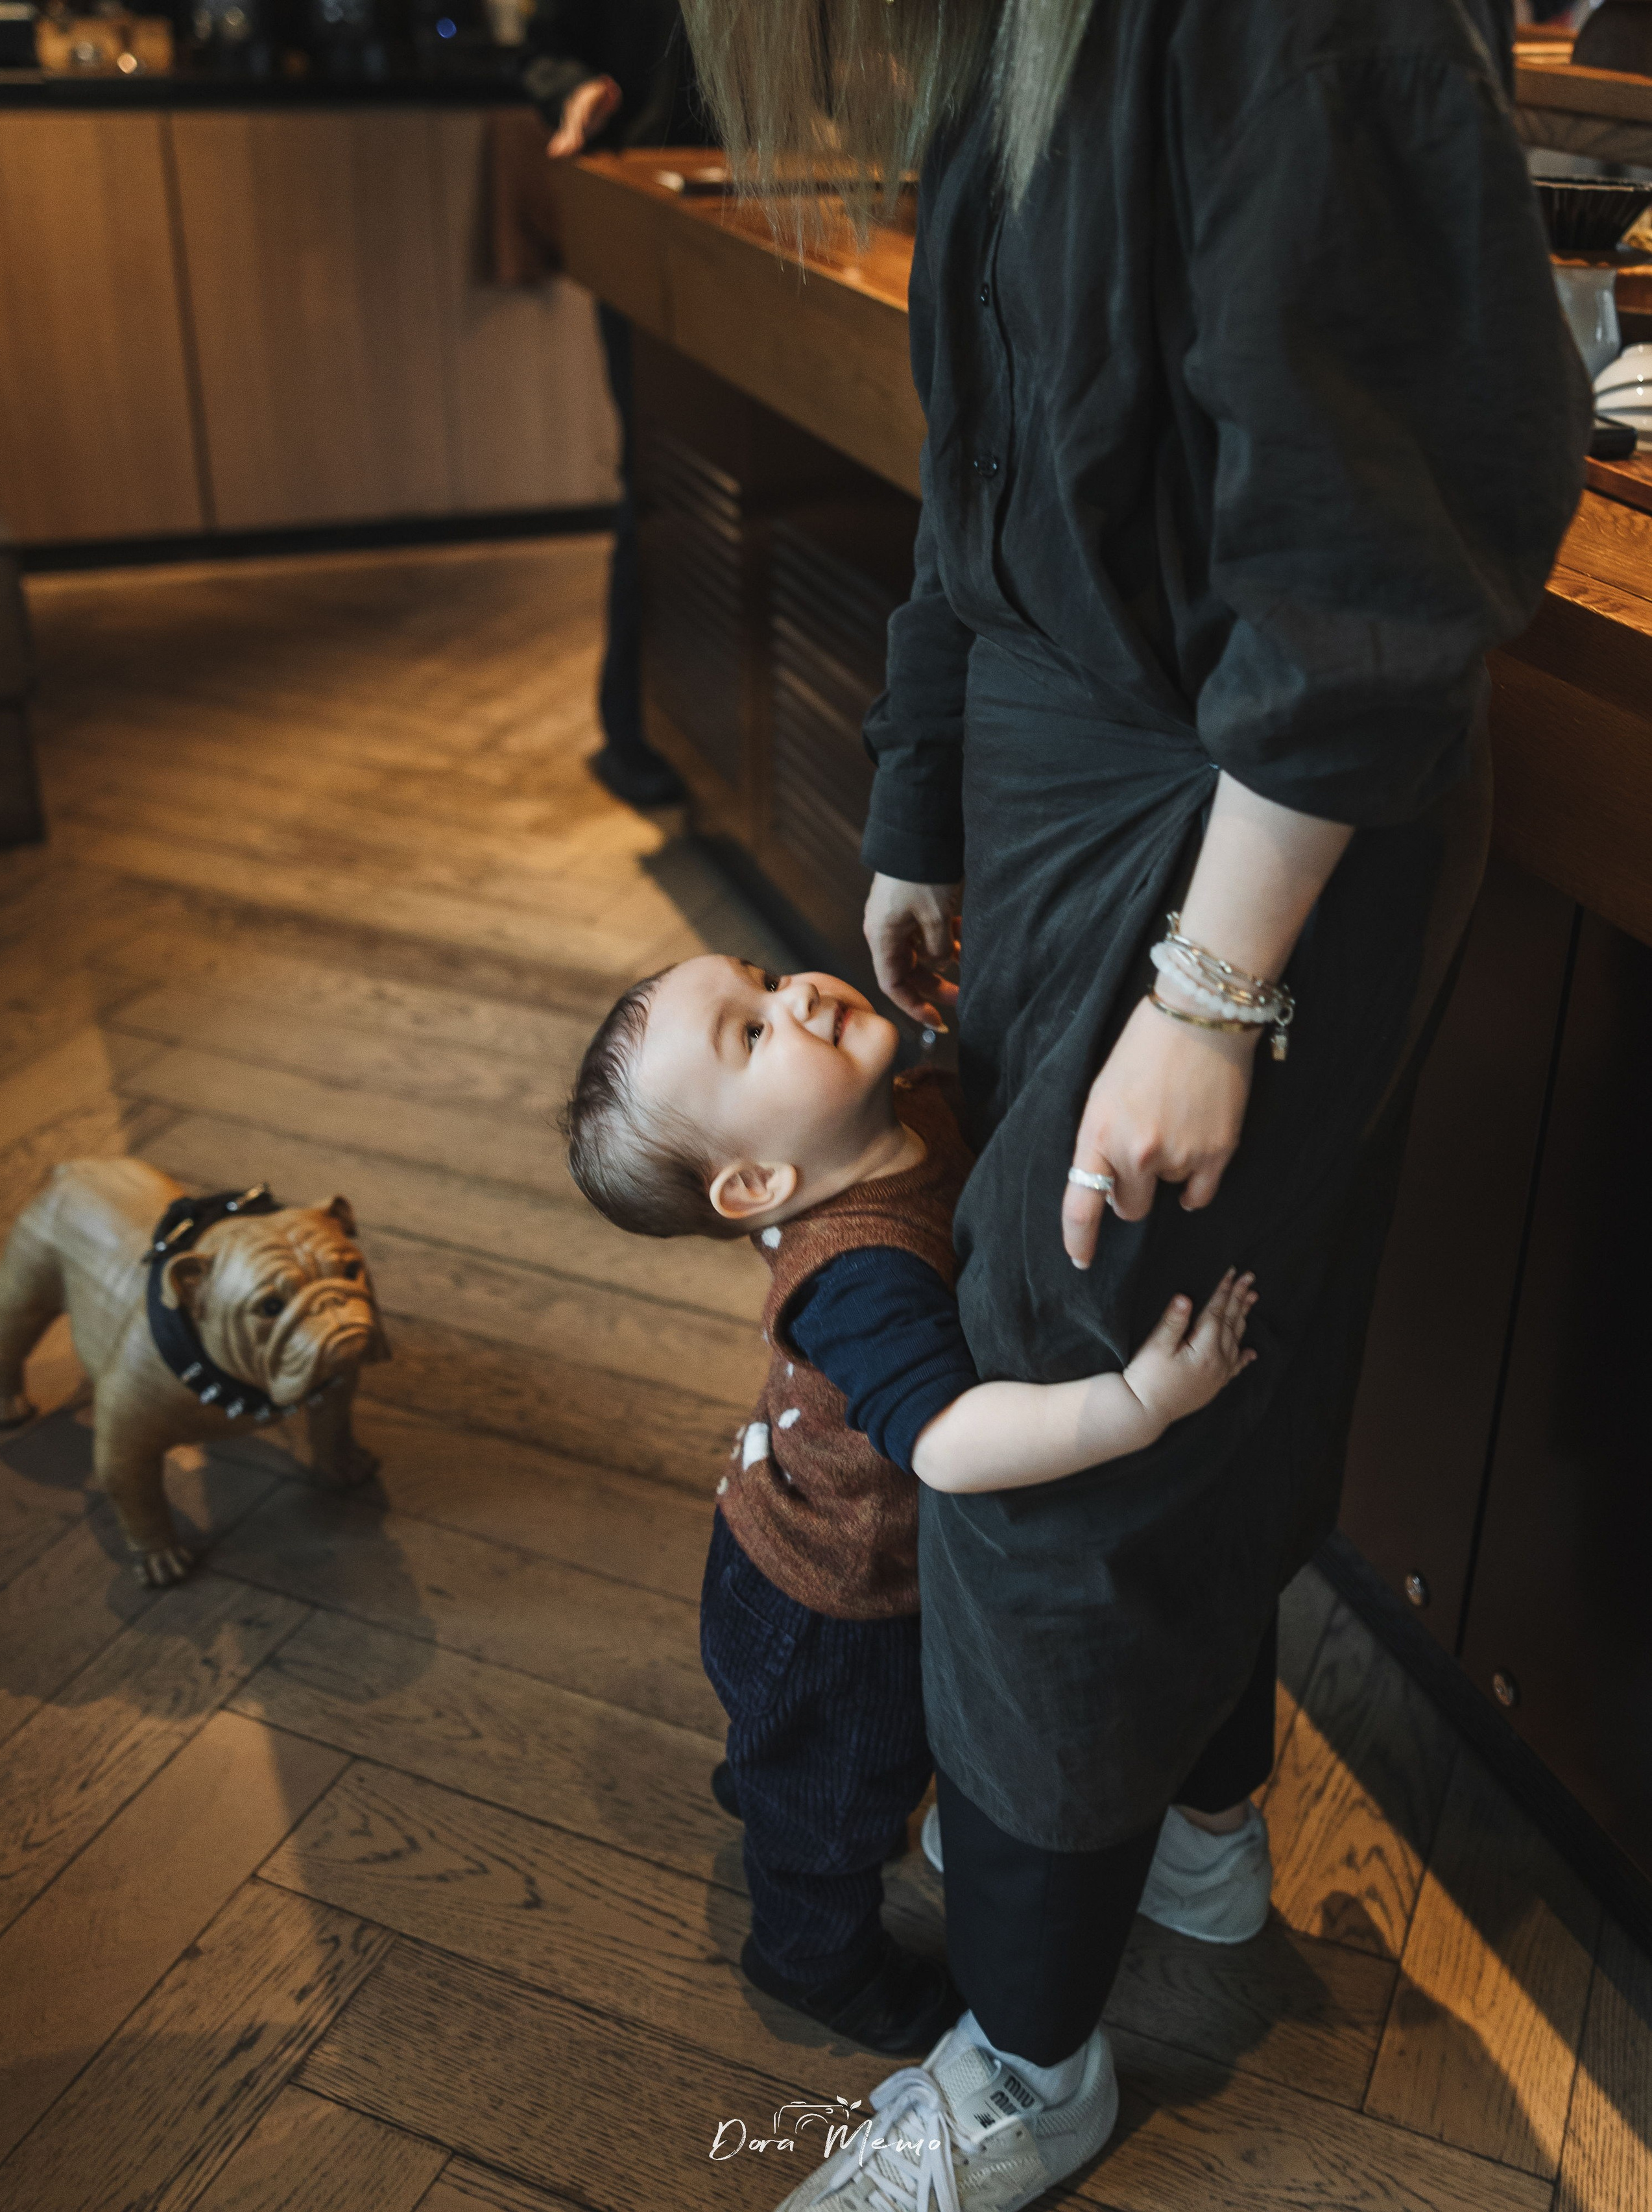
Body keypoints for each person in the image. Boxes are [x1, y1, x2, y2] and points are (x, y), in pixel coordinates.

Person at [678, 0, 1594, 2204]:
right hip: (1087, 770)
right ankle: (1199, 1851)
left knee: (1064, 1431)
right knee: (1191, 1370)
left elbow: (1378, 551)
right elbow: (987, 441)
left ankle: (1028, 2065)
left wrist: (1209, 984)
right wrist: (925, 788)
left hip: (1232, 831)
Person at [564, 953, 1256, 2056]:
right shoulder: (858, 1277)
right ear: (755, 1189)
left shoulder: (916, 1105)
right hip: (829, 1606)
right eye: (750, 1032)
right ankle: (809, 1958)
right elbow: (945, 1443)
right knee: (840, 1801)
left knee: (794, 1758)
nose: (792, 993)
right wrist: (1134, 1403)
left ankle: (766, 1767)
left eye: (758, 974)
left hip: (790, 1538)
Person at [531, 1, 707, 807]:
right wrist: (578, 92)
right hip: (648, 215)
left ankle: (709, 735)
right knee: (662, 470)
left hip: (788, 213)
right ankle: (636, 729)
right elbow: (546, 50)